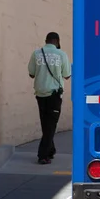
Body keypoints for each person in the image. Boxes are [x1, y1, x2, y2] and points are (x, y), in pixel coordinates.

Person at [28, 32, 71, 164]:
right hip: (54, 94)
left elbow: (31, 73)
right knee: (51, 125)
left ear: (46, 40)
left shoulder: (36, 53)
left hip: (40, 94)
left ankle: (50, 150)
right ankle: (43, 155)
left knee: (45, 123)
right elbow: (67, 75)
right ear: (57, 42)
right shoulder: (61, 54)